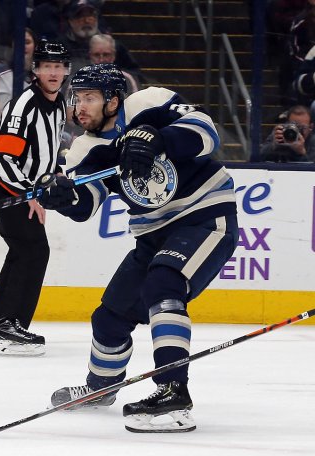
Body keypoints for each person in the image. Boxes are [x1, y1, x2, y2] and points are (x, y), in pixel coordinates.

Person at [38, 63, 238, 433]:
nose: (79, 107)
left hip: (204, 217)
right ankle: (102, 387)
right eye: (76, 98)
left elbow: (207, 133)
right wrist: (63, 196)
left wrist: (157, 137)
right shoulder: (85, 147)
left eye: (89, 98)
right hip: (152, 234)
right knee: (110, 315)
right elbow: (86, 203)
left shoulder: (149, 102)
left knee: (164, 286)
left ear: (113, 100)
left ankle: (173, 394)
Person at [0, 40, 70, 356]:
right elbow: (1, 158)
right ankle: (10, 326)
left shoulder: (57, 104)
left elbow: (48, 150)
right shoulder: (24, 105)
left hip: (26, 191)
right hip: (7, 188)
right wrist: (26, 192)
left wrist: (53, 174)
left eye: (59, 66)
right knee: (34, 250)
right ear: (37, 70)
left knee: (22, 250)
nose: (54, 72)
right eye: (48, 66)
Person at [0, 27, 36, 115]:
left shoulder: (46, 76)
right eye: (19, 42)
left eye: (27, 42)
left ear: (35, 46)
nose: (23, 46)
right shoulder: (3, 77)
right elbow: (4, 115)